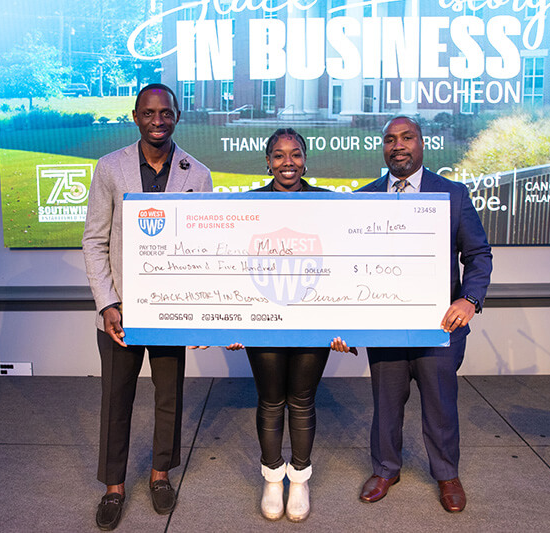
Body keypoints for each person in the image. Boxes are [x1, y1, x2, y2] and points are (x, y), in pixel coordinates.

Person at [82, 83, 212, 531]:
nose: (158, 120)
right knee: (116, 400)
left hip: (171, 311)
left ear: (177, 116)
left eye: (166, 113)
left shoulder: (198, 173)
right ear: (135, 116)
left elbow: (203, 248)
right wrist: (107, 304)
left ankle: (160, 475)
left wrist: (196, 313)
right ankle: (113, 487)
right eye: (149, 113)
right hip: (122, 312)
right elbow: (94, 241)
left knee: (169, 398)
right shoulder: (110, 168)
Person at [349, 115, 492, 512]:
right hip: (386, 326)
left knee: (441, 404)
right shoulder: (365, 198)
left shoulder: (453, 194)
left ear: (422, 144)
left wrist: (470, 299)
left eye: (407, 138)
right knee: (386, 403)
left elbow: (478, 254)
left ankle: (447, 475)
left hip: (439, 325)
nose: (398, 146)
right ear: (383, 147)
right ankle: (385, 468)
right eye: (391, 140)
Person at [227, 128, 354, 522]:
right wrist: (229, 322)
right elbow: (230, 267)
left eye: (295, 154)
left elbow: (346, 265)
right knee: (270, 400)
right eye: (279, 155)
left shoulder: (331, 205)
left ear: (305, 160)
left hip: (313, 323)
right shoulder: (247, 205)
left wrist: (348, 325)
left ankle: (298, 479)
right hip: (262, 321)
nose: (287, 162)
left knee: (301, 400)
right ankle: (271, 477)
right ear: (267, 161)